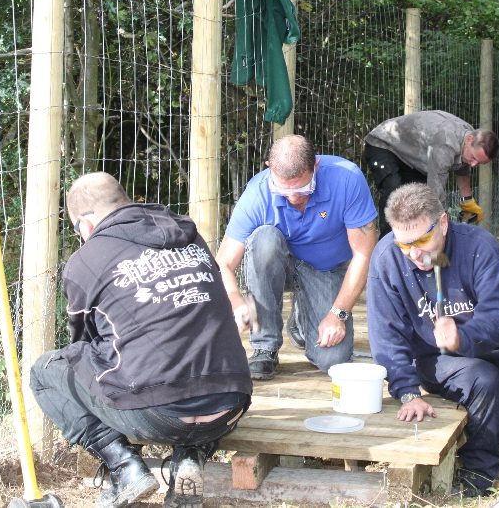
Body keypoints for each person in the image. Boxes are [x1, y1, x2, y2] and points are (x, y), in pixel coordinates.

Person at [29, 172, 252, 508]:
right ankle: (191, 457)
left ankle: (125, 466)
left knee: (46, 371)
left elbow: (84, 344)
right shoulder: (189, 234)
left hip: (158, 414)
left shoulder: (86, 261)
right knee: (190, 359)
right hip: (229, 407)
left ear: (86, 224)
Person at [366, 183, 499, 497]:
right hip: (437, 358)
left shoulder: (479, 246)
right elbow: (385, 334)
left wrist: (463, 336)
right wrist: (405, 391)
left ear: (442, 222)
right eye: (405, 244)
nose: (414, 253)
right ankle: (478, 476)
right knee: (483, 380)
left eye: (422, 240)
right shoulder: (387, 257)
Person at [216, 134, 379, 380]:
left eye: (303, 188)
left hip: (326, 269)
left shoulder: (347, 178)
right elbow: (224, 263)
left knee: (333, 361)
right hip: (279, 265)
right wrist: (236, 301)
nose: (293, 197)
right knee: (264, 240)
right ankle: (265, 346)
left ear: (316, 165)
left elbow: (363, 254)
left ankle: (302, 318)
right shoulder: (257, 192)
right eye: (283, 190)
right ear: (269, 169)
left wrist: (338, 314)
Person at [363, 110, 498, 234]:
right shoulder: (445, 143)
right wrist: (443, 229)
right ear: (469, 140)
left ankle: (413, 245)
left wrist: (467, 200)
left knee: (419, 201)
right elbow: (436, 192)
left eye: (479, 163)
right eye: (474, 158)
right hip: (382, 145)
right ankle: (389, 245)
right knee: (395, 194)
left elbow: (463, 166)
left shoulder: (469, 135)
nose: (474, 165)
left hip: (409, 159)